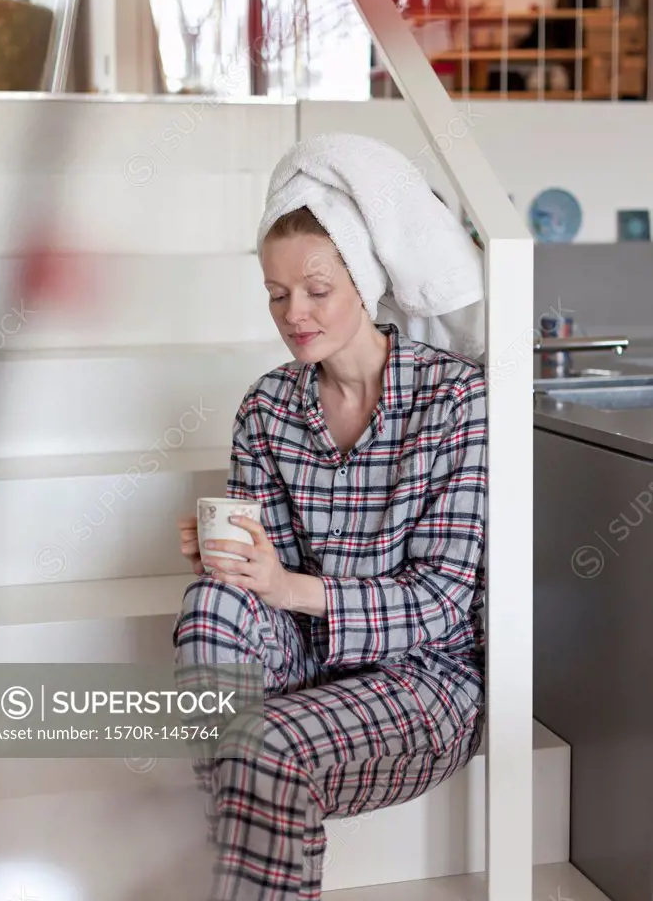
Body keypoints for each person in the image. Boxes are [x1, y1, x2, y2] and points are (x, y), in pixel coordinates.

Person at [173, 134, 487, 901]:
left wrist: (287, 589)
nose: (294, 313)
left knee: (261, 743)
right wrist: (236, 563)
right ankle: (256, 790)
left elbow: (443, 599)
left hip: (426, 684)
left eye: (315, 288)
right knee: (212, 604)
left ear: (364, 276)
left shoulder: (454, 402)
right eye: (277, 294)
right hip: (306, 657)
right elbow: (263, 574)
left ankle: (249, 790)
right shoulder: (269, 404)